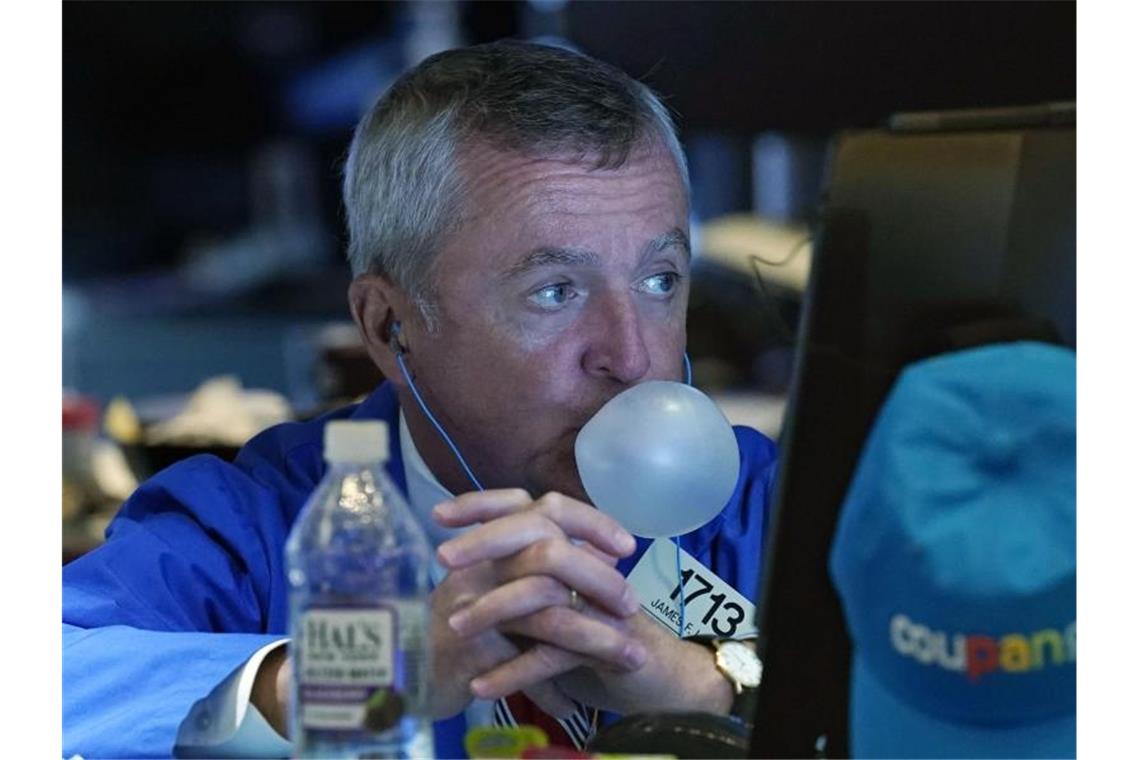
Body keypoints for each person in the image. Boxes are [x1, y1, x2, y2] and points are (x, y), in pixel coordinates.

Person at [63, 40, 779, 758]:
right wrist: (356, 678)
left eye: (660, 280)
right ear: (390, 326)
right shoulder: (259, 521)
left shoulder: (770, 499)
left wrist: (713, 687)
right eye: (555, 291)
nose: (631, 356)